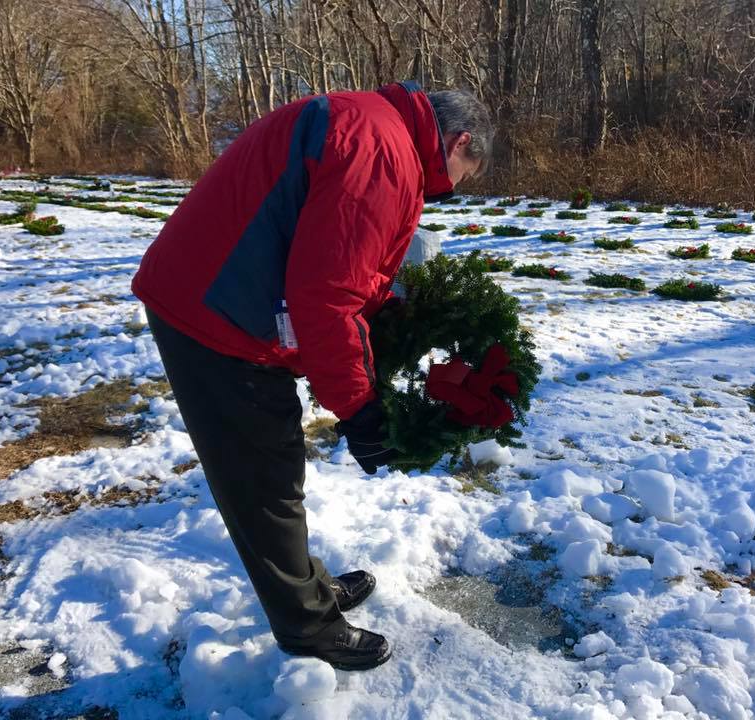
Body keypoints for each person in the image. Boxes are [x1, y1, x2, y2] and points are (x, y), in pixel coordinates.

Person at [131, 81, 493, 671]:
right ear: (459, 141)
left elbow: (340, 258)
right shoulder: (381, 151)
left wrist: (388, 311)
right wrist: (359, 408)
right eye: (462, 175)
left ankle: (308, 587)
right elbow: (327, 295)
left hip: (228, 295)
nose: (449, 189)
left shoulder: (374, 127)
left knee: (275, 467)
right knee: (263, 480)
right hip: (216, 315)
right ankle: (307, 626)